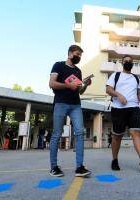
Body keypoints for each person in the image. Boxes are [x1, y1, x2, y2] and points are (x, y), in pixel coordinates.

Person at [106, 55, 140, 173]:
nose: (128, 62)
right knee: (117, 136)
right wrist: (119, 95)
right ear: (122, 63)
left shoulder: (136, 78)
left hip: (134, 108)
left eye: (130, 61)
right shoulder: (116, 75)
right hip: (118, 109)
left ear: (132, 64)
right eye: (126, 61)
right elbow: (108, 90)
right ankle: (114, 160)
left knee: (137, 133)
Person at [48, 45, 92, 177]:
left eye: (80, 55)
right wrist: (68, 85)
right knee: (56, 133)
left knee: (79, 133)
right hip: (61, 103)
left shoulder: (78, 71)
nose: (78, 57)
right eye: (77, 54)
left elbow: (79, 91)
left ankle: (79, 167)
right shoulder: (58, 65)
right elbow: (52, 83)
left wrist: (85, 85)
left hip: (75, 105)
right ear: (69, 53)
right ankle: (54, 167)